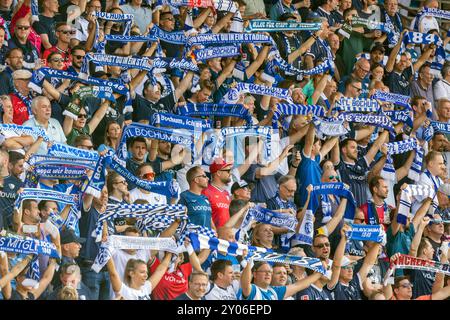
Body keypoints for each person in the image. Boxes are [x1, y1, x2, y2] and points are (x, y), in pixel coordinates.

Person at [107, 253, 173, 300]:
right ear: (131, 273)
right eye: (142, 272)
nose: (146, 275)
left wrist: (170, 252)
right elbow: (113, 274)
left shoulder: (146, 288)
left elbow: (160, 270)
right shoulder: (125, 291)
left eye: (146, 272)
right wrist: (107, 251)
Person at [202, 158, 233, 228]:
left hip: (225, 235)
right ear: (218, 173)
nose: (230, 173)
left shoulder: (226, 193)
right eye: (228, 171)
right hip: (212, 235)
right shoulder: (205, 192)